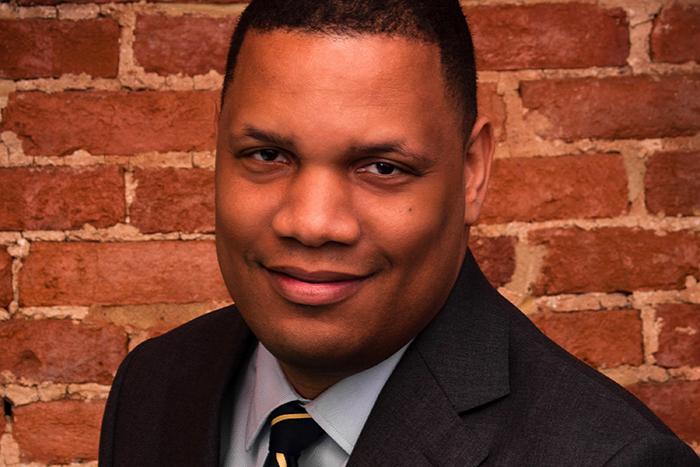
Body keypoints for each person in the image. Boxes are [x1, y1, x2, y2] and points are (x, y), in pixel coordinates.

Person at [99, 1, 700, 466]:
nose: (311, 223)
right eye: (267, 155)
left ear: (472, 172)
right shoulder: (153, 388)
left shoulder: (608, 458)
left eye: (382, 168)